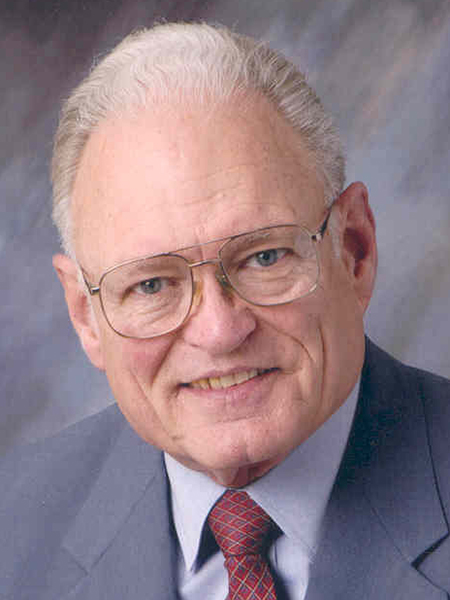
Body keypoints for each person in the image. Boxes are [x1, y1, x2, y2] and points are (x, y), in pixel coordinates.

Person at [1, 21, 449, 600]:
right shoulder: (14, 525)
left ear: (354, 251)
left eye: (264, 257)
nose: (219, 331)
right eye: (151, 285)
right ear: (85, 316)